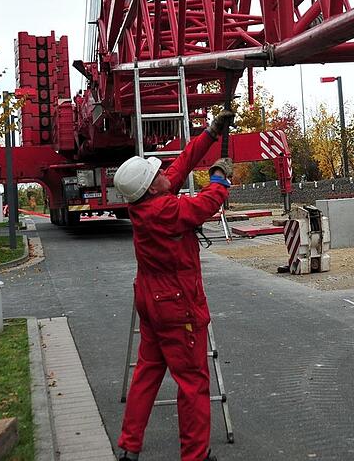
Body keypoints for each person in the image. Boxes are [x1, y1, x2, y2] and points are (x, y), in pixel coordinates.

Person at [114, 106, 236, 461]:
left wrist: (210, 133)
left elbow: (181, 164)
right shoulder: (163, 210)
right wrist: (219, 179)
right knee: (193, 381)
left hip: (151, 301)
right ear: (152, 187)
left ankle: (130, 447)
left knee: (148, 372)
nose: (164, 172)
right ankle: (195, 456)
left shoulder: (147, 202)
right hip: (176, 304)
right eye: (157, 173)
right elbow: (204, 205)